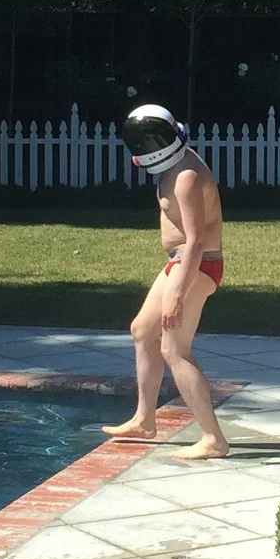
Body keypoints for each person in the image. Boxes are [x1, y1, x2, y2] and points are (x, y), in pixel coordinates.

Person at [101, 101, 233, 461]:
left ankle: (213, 439)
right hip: (180, 262)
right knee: (143, 331)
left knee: (174, 349)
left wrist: (176, 293)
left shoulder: (186, 175)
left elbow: (196, 241)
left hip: (196, 264)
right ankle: (145, 420)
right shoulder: (176, 164)